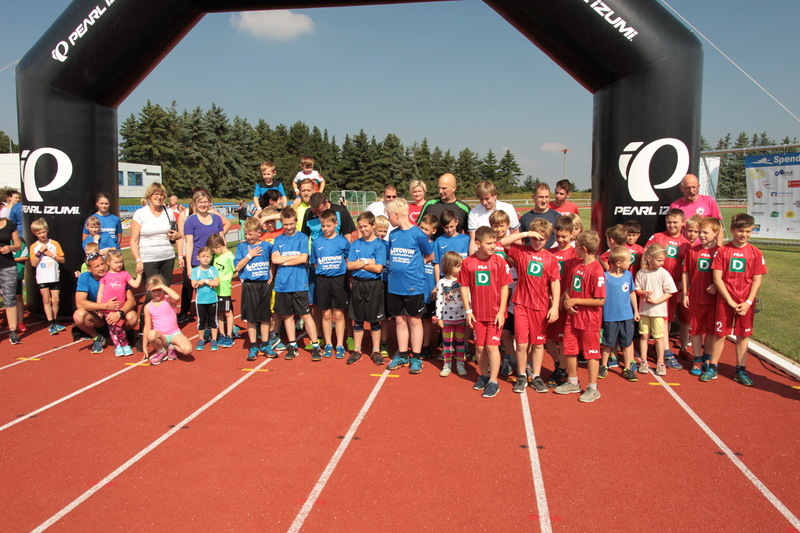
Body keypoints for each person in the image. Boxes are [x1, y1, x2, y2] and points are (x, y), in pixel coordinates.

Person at [702, 213, 767, 386]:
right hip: (725, 301)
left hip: (746, 303)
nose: (743, 234)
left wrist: (748, 302)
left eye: (747, 231)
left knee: (742, 336)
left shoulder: (755, 252)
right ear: (732, 229)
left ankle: (740, 370)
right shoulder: (723, 251)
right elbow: (717, 278)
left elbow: (757, 280)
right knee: (720, 334)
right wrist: (730, 301)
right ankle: (713, 367)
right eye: (740, 231)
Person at [499, 218, 561, 394]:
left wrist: (555, 306)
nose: (537, 242)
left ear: (547, 238)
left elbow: (555, 283)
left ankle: (536, 375)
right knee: (521, 343)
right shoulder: (522, 252)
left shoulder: (551, 258)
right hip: (521, 305)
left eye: (541, 239)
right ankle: (521, 375)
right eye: (534, 238)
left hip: (540, 307)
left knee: (538, 344)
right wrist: (526, 233)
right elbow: (503, 242)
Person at [459, 226, 512, 398]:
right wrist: (468, 310)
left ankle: (494, 382)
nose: (493, 246)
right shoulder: (468, 263)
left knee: (492, 347)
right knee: (480, 347)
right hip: (477, 314)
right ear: (477, 243)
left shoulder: (499, 261)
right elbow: (464, 286)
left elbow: (505, 287)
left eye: (494, 243)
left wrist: (501, 311)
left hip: (495, 314)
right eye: (489, 243)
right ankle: (484, 375)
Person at [554, 230, 606, 403]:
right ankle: (573, 382)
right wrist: (568, 302)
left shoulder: (597, 270)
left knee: (591, 353)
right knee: (569, 349)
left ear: (584, 249)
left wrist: (575, 301)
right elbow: (569, 288)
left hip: (590, 319)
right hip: (572, 317)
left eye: (576, 246)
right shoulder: (576, 265)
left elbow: (600, 300)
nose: (574, 249)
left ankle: (593, 387)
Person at [385, 198, 434, 374]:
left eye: (389, 216)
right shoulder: (393, 234)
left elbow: (430, 256)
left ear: (397, 215)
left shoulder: (418, 234)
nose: (388, 219)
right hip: (394, 285)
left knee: (414, 320)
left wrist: (416, 266)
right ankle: (403, 354)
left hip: (413, 284)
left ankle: (417, 357)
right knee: (399, 319)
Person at [130, 183, 182, 344]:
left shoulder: (169, 212)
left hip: (167, 257)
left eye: (161, 194)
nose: (159, 197)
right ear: (149, 196)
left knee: (163, 296)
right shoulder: (140, 213)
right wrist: (138, 259)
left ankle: (164, 331)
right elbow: (133, 240)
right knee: (150, 296)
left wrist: (176, 236)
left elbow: (177, 235)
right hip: (148, 259)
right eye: (156, 194)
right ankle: (142, 334)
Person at [271, 207, 320, 361]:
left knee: (305, 315)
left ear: (296, 222)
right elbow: (274, 259)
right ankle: (293, 345)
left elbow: (303, 258)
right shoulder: (278, 240)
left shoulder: (302, 238)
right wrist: (293, 258)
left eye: (291, 224)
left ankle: (315, 345)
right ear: (281, 223)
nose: (289, 227)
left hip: (299, 283)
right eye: (286, 224)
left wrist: (284, 261)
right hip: (282, 284)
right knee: (287, 316)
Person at [644, 208, 690, 370]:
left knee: (668, 319)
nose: (671, 225)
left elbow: (687, 269)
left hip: (672, 288)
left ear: (683, 223)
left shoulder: (686, 244)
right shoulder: (657, 237)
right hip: (654, 286)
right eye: (669, 222)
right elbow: (645, 256)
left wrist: (681, 287)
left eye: (675, 222)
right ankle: (663, 350)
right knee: (658, 319)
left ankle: (664, 351)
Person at [180, 189, 230, 323]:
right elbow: (189, 244)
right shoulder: (191, 221)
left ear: (209, 203)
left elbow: (222, 239)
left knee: (220, 290)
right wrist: (189, 266)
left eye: (205, 202)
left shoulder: (216, 218)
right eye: (200, 202)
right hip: (199, 262)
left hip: (216, 260)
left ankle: (221, 321)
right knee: (204, 293)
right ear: (194, 204)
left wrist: (226, 256)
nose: (203, 204)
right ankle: (206, 323)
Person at [73, 253, 138, 354]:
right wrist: (105, 306)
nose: (101, 268)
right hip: (99, 316)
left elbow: (131, 300)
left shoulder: (116, 275)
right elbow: (80, 303)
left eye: (102, 264)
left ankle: (120, 334)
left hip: (117, 314)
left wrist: (119, 313)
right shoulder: (84, 277)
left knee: (132, 317)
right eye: (97, 266)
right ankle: (97, 337)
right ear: (89, 269)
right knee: (79, 315)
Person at [345, 211, 387, 365]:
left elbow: (378, 268)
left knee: (375, 320)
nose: (363, 230)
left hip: (374, 285)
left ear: (373, 225)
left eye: (365, 226)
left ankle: (376, 350)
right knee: (358, 319)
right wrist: (366, 262)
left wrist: (359, 263)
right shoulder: (356, 244)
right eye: (360, 227)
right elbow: (349, 265)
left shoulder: (379, 245)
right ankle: (357, 350)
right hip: (358, 283)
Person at [311, 209, 352, 360]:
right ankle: (328, 343)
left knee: (339, 314)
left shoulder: (343, 241)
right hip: (323, 280)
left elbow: (348, 260)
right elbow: (314, 262)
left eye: (328, 225)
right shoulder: (317, 242)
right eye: (323, 226)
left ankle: (340, 344)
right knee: (326, 314)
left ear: (336, 224)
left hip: (339, 280)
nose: (326, 229)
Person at [682, 217, 721, 376]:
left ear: (716, 233)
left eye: (705, 232)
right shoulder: (692, 251)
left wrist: (717, 286)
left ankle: (708, 356)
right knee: (696, 330)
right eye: (700, 232)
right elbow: (685, 272)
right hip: (696, 298)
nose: (701, 235)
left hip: (714, 300)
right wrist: (685, 293)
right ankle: (697, 359)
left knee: (711, 331)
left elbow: (725, 275)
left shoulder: (721, 252)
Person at [235, 217, 277, 361]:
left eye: (251, 234)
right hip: (249, 285)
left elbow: (273, 260)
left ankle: (265, 345)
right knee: (251, 319)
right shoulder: (241, 247)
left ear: (259, 232)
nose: (248, 237)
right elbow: (237, 267)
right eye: (246, 234)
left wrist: (271, 272)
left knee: (265, 317)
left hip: (263, 285)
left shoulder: (267, 246)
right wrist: (249, 255)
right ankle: (253, 346)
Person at [635, 243, 677, 376]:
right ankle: (643, 360)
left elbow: (670, 292)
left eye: (663, 260)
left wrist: (656, 301)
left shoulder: (664, 273)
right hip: (644, 311)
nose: (661, 263)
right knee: (644, 336)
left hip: (658, 311)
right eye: (659, 260)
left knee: (658, 337)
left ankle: (660, 362)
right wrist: (643, 293)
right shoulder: (641, 273)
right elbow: (637, 289)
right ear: (649, 258)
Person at [545, 216, 577, 388]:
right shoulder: (550, 252)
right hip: (550, 303)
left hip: (564, 304)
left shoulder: (574, 255)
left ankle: (563, 371)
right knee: (548, 339)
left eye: (564, 236)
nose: (561, 240)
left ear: (572, 234)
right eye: (558, 236)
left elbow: (571, 282)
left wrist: (562, 299)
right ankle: (559, 365)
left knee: (563, 340)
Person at [601, 247, 640, 381]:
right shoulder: (605, 277)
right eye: (628, 261)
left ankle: (627, 368)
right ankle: (604, 365)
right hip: (610, 316)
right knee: (608, 342)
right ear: (618, 263)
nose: (630, 263)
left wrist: (636, 310)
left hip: (626, 316)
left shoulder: (628, 275)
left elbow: (632, 293)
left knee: (627, 342)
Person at [97, 250, 142, 356]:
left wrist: (139, 274)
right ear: (108, 262)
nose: (119, 264)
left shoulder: (124, 274)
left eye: (120, 262)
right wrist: (99, 307)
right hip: (108, 308)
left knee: (118, 327)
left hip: (119, 307)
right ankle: (121, 346)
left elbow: (135, 284)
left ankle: (122, 345)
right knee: (114, 328)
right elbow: (100, 292)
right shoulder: (105, 276)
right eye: (116, 262)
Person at [143, 275, 192, 365]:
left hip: (174, 334)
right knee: (151, 334)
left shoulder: (169, 300)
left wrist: (161, 285)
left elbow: (177, 298)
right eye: (153, 291)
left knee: (187, 350)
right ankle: (161, 351)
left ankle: (172, 347)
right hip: (161, 336)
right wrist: (144, 346)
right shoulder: (148, 307)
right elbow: (147, 327)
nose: (156, 293)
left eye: (159, 290)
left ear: (163, 289)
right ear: (149, 291)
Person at [30, 218, 67, 335]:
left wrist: (51, 254)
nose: (42, 235)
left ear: (47, 230)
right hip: (42, 277)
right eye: (39, 233)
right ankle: (50, 323)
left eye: (43, 232)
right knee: (46, 300)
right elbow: (33, 263)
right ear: (35, 234)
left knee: (56, 300)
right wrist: (39, 252)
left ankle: (55, 321)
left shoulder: (54, 244)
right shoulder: (34, 246)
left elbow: (62, 260)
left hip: (54, 276)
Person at [433, 251, 467, 377]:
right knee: (447, 344)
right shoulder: (442, 282)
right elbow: (439, 301)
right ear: (449, 266)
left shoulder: (463, 281)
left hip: (461, 317)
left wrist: (469, 313)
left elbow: (468, 298)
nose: (460, 268)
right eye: (458, 266)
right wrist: (439, 317)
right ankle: (447, 365)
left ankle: (460, 364)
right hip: (447, 318)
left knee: (460, 343)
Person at [467, 180, 520, 254]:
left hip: (505, 252)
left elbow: (516, 235)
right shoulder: (474, 212)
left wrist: (516, 256)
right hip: (484, 254)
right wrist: (473, 259)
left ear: (495, 195)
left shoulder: (508, 208)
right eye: (481, 199)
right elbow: (474, 240)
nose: (484, 202)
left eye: (487, 198)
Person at [670, 174, 724, 245]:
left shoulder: (709, 201)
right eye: (687, 188)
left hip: (705, 247)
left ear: (698, 187)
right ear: (681, 188)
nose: (691, 191)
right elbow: (672, 230)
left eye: (694, 187)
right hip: (684, 247)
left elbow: (718, 226)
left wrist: (718, 247)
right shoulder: (675, 206)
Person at [417, 173, 470, 240]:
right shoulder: (429, 204)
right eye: (439, 188)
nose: (440, 191)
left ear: (454, 188)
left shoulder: (464, 208)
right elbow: (419, 227)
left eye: (444, 188)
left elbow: (469, 233)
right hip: (433, 246)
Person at [207, 233, 236, 348]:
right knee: (219, 312)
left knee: (227, 312)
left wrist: (228, 278)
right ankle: (222, 334)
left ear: (219, 246)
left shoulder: (229, 257)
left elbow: (236, 270)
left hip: (224, 289)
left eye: (213, 250)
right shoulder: (216, 256)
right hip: (216, 289)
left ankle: (229, 335)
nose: (213, 253)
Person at [191, 246, 220, 351]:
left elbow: (216, 283)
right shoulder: (195, 271)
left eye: (208, 256)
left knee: (213, 320)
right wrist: (208, 282)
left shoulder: (213, 269)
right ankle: (201, 339)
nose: (205, 259)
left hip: (212, 300)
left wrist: (204, 281)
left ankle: (214, 339)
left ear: (211, 257)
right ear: (198, 258)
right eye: (203, 256)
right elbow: (194, 284)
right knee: (201, 321)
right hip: (200, 301)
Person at [0, 212, 22, 345]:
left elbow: (18, 245)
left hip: (7, 266)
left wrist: (10, 247)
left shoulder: (10, 225)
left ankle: (13, 332)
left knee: (9, 298)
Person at [519, 182, 560, 249]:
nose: (544, 200)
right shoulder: (525, 218)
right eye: (541, 197)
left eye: (546, 197)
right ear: (533, 197)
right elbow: (519, 240)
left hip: (551, 254)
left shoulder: (557, 217)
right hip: (530, 254)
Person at [433, 209, 470, 282]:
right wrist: (438, 282)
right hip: (445, 278)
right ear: (442, 225)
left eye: (451, 226)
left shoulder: (466, 239)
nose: (449, 230)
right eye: (446, 227)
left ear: (457, 222)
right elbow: (436, 263)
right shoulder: (439, 241)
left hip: (463, 277)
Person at [12, 236, 29, 335]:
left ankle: (20, 322)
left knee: (18, 297)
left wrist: (11, 260)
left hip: (17, 274)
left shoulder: (20, 244)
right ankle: (12, 322)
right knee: (7, 298)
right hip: (4, 274)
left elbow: (26, 256)